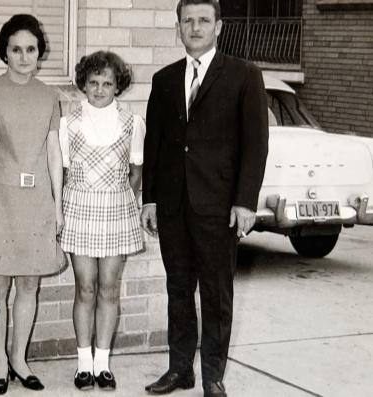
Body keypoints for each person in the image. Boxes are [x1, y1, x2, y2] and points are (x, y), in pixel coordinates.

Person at [140, 1, 269, 396]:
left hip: (219, 208)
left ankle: (212, 375)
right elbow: (155, 144)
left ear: (219, 27)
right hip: (175, 208)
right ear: (177, 27)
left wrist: (245, 201)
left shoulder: (244, 75)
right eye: (188, 21)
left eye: (203, 21)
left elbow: (255, 144)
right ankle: (180, 370)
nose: (195, 28)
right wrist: (151, 199)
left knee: (215, 295)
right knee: (178, 291)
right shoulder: (164, 80)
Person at [0, 13, 64, 396]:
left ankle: (18, 359)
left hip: (39, 197)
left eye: (30, 49)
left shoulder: (49, 95)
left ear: (39, 52)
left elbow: (55, 153)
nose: (24, 56)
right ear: (4, 52)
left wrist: (58, 205)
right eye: (16, 49)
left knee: (29, 282)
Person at [58, 51, 144, 391]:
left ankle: (102, 365)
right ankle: (82, 365)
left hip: (116, 211)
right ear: (84, 84)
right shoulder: (69, 122)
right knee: (85, 287)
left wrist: (119, 197)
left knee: (109, 288)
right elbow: (62, 172)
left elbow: (136, 171)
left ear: (117, 86)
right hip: (79, 208)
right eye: (93, 82)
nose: (99, 89)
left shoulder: (131, 121)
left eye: (107, 83)